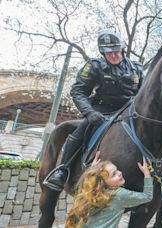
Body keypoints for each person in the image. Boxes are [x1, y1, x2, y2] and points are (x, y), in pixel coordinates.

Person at [44, 29, 144, 191]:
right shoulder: (93, 66)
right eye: (108, 52)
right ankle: (63, 171)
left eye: (116, 51)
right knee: (80, 131)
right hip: (101, 110)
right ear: (102, 53)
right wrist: (89, 112)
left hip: (129, 111)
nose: (113, 55)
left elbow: (144, 93)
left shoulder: (137, 68)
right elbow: (78, 91)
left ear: (123, 49)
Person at [66, 153, 153, 228]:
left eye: (117, 170)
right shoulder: (120, 195)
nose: (119, 173)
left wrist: (92, 170)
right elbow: (147, 196)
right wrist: (147, 174)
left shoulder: (90, 195)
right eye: (113, 175)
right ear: (103, 183)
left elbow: (86, 184)